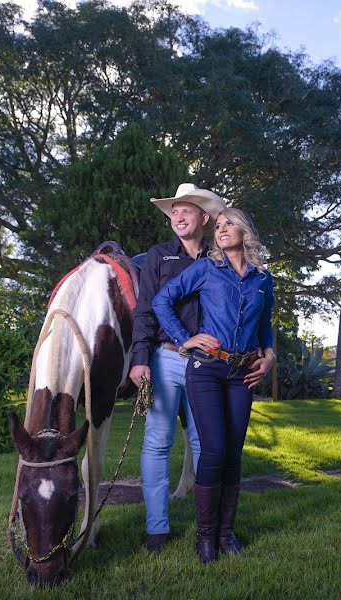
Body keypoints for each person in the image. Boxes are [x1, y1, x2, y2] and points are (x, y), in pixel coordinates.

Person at [152, 207, 276, 563]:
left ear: (245, 231)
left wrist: (268, 356)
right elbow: (163, 302)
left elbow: (265, 324)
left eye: (228, 224)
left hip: (243, 374)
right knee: (214, 450)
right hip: (206, 369)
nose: (221, 230)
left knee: (233, 455)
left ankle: (226, 535)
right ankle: (204, 539)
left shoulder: (262, 280)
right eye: (217, 225)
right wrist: (184, 339)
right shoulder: (206, 269)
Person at [129, 183, 226, 553]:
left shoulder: (218, 261)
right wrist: (140, 359)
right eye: (174, 212)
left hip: (207, 364)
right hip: (166, 358)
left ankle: (209, 528)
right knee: (157, 443)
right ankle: (157, 529)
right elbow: (145, 310)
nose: (178, 217)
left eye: (186, 210)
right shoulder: (157, 257)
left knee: (205, 442)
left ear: (203, 218)